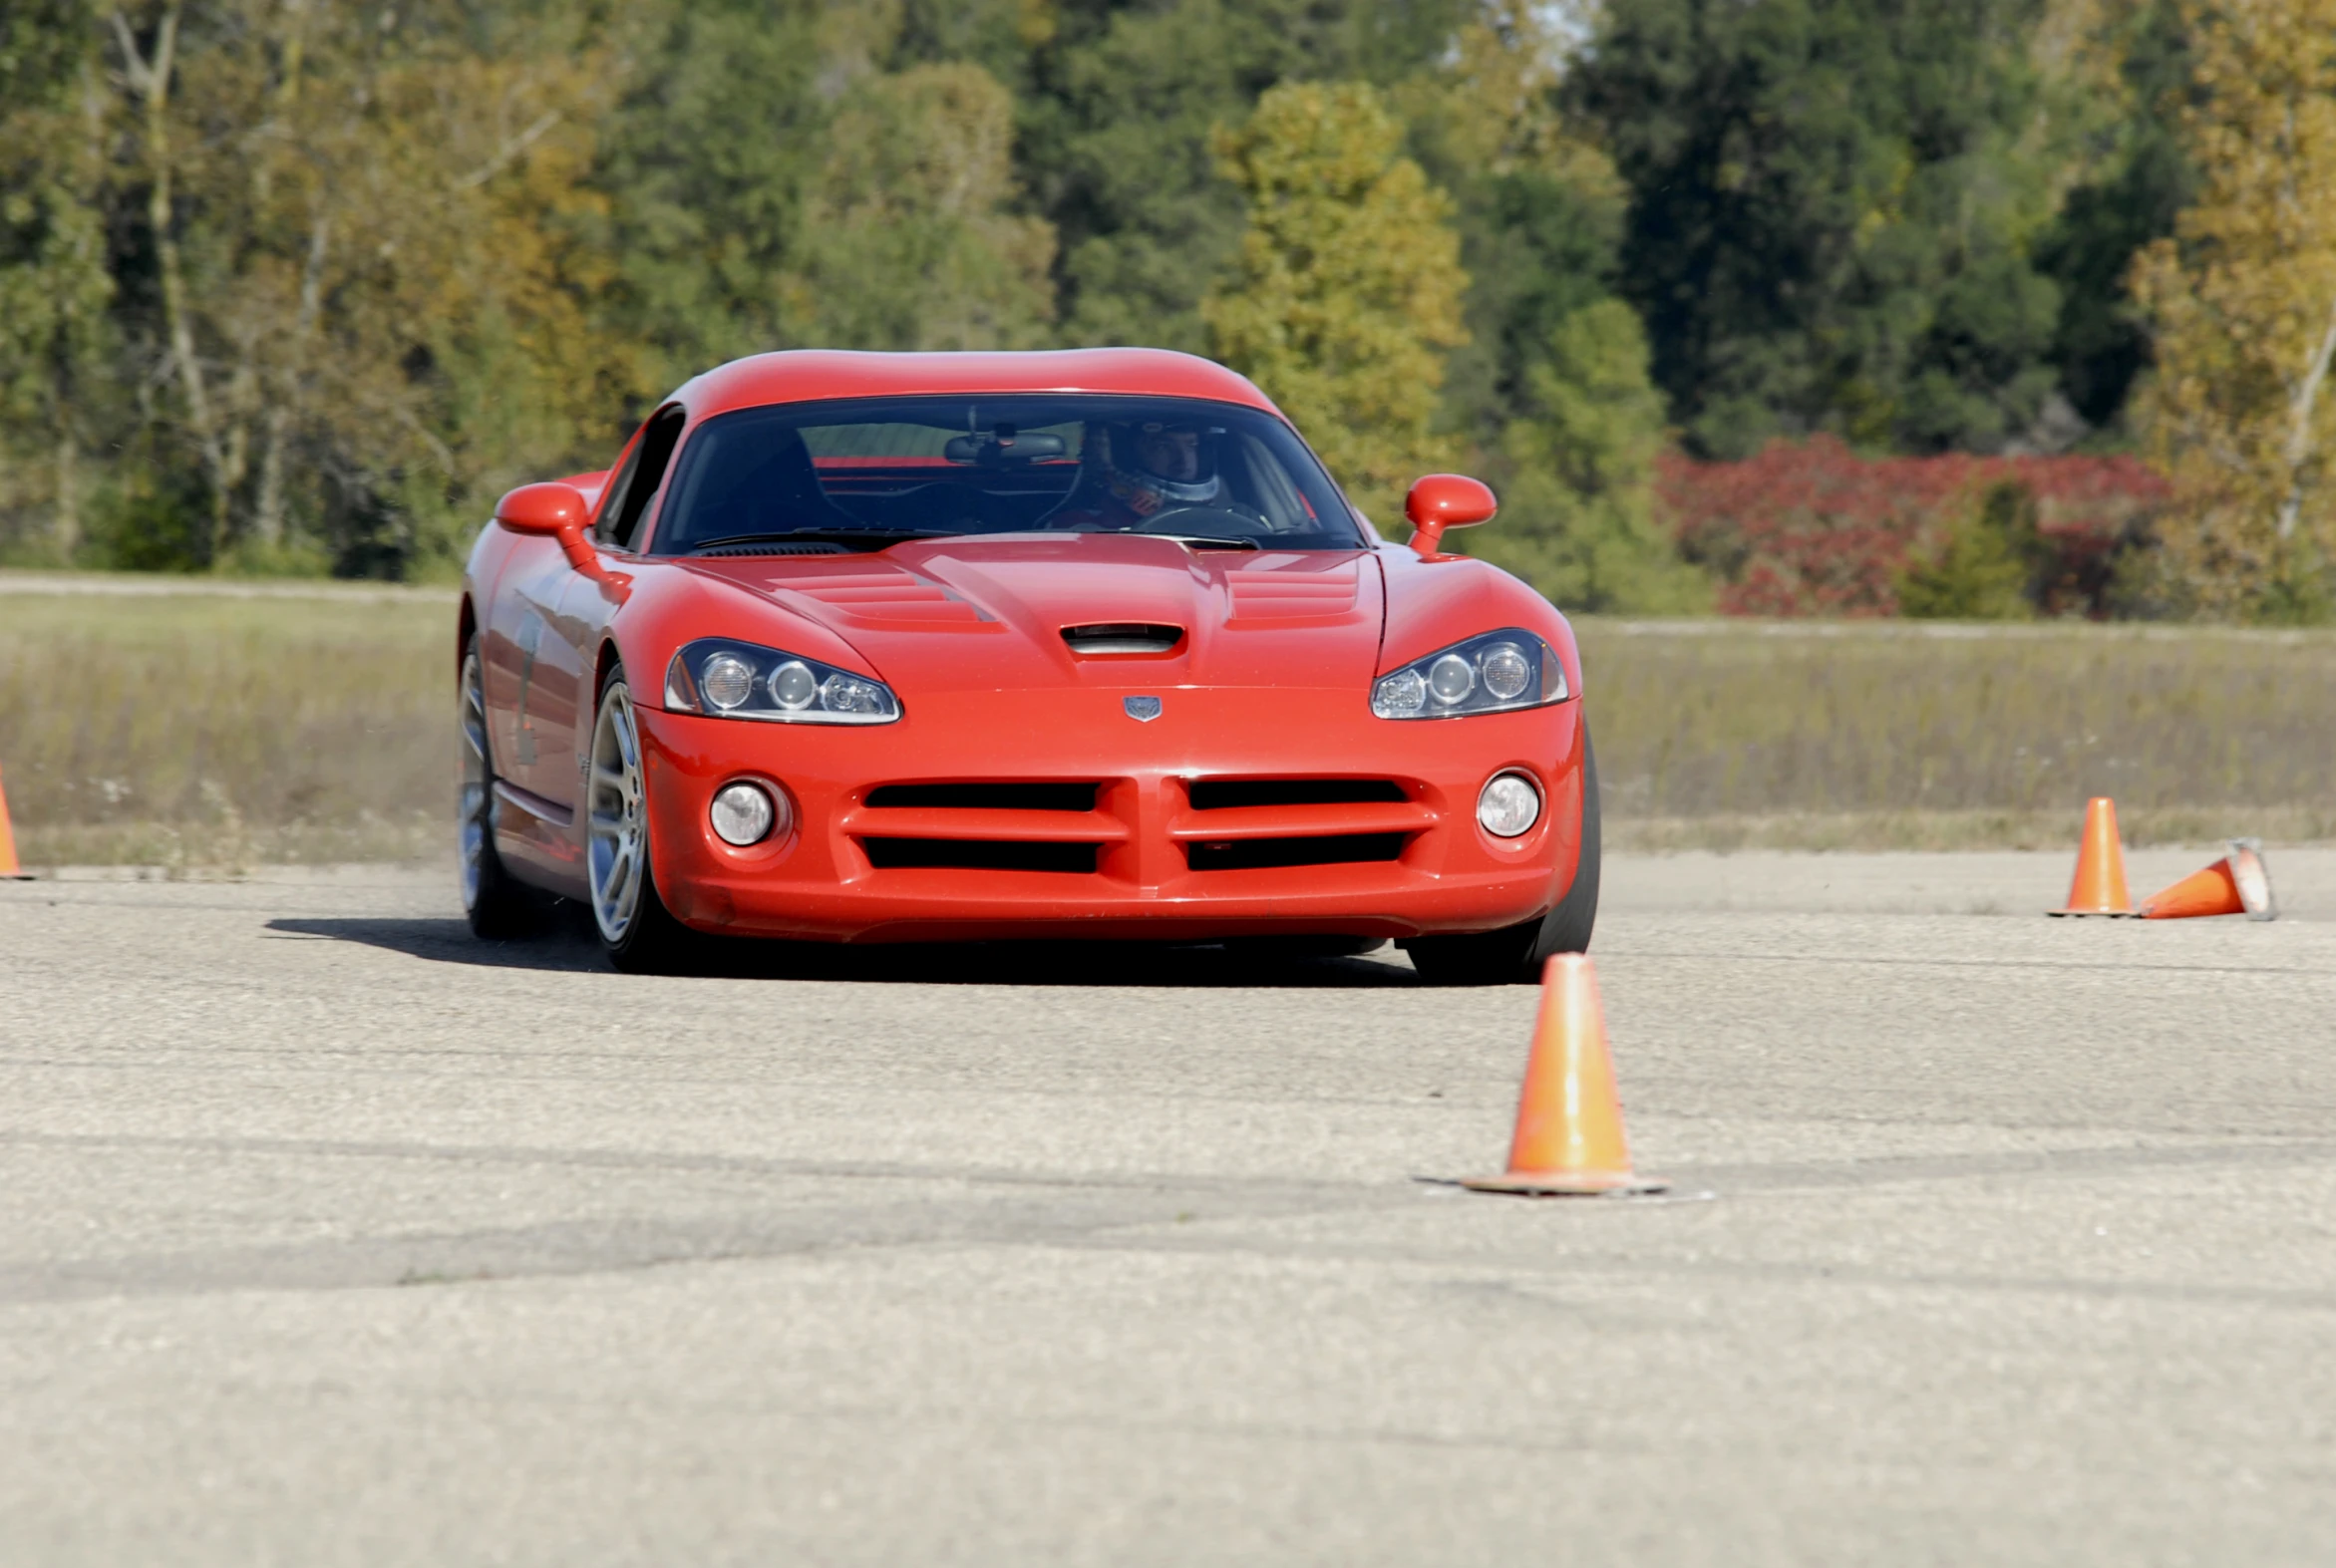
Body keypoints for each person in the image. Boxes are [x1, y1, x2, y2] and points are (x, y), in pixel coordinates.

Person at [1043, 418, 1224, 529]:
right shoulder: (1078, 527)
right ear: (1126, 455)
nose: (1183, 462)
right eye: (1163, 447)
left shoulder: (1237, 520)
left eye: (1191, 445)